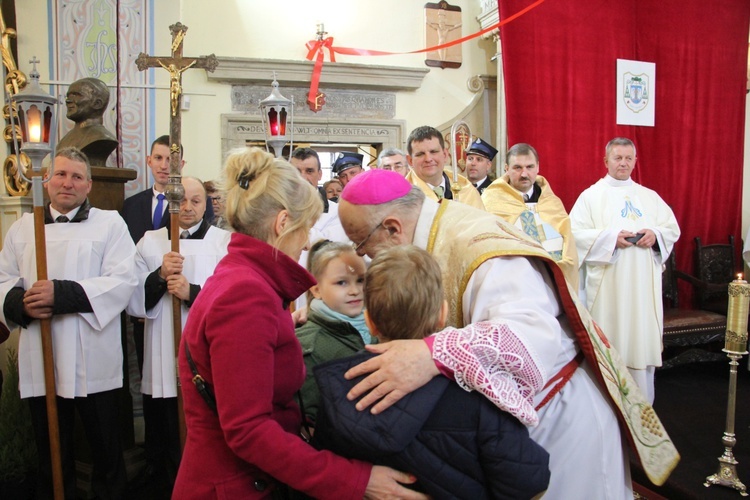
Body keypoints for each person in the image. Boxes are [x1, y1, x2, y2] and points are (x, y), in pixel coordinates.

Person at [335, 169, 680, 499]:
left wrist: (433, 353)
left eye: (361, 244)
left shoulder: (476, 247)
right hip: (514, 434)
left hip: (560, 423)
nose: (364, 257)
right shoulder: (437, 229)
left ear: (393, 228)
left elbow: (531, 337)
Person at [173, 147, 424, 499]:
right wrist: (355, 480)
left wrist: (281, 327)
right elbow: (248, 430)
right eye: (304, 228)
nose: (306, 241)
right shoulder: (246, 295)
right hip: (235, 485)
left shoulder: (245, 282)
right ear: (281, 223)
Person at [313, 245, 551, 499]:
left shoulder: (339, 390)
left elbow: (324, 474)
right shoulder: (476, 393)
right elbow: (529, 482)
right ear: (442, 315)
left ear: (369, 320)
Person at [0, 147, 137, 499]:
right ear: (46, 181)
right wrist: (22, 303)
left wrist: (61, 295)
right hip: (42, 356)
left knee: (105, 447)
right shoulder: (22, 229)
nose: (67, 183)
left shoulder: (110, 224)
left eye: (77, 177)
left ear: (89, 185)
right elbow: (4, 280)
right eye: (60, 174)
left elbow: (123, 281)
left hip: (94, 357)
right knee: (51, 450)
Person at [126, 176, 231, 493]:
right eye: (181, 199)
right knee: (166, 430)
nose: (187, 206)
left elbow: (233, 297)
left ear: (207, 204)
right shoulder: (150, 241)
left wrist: (192, 292)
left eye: (196, 200)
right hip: (161, 349)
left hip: (209, 351)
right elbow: (130, 298)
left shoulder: (224, 243)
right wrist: (159, 277)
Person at [570, 137, 680, 403]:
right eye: (617, 158)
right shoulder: (590, 197)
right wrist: (610, 239)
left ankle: (643, 411)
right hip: (609, 291)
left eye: (628, 158)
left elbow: (671, 229)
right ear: (606, 161)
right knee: (612, 347)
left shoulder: (649, 197)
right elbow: (573, 235)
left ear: (635, 161)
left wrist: (654, 234)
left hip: (643, 290)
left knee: (640, 345)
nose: (623, 163)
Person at [120, 134, 184, 489]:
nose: (164, 165)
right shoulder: (132, 206)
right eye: (158, 158)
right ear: (149, 161)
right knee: (147, 378)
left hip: (178, 303)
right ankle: (155, 457)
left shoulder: (187, 200)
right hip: (143, 303)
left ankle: (178, 454)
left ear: (181, 165)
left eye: (171, 160)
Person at [482, 143, 579, 289]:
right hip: (511, 282)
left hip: (552, 282)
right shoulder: (491, 200)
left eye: (529, 167)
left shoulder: (551, 201)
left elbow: (568, 242)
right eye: (517, 167)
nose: (524, 174)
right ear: (506, 168)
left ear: (538, 167)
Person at [295, 240, 370, 424]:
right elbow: (307, 418)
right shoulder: (307, 346)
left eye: (360, 280)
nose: (354, 291)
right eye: (341, 283)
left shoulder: (381, 327)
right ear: (317, 289)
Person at [290, 147, 350, 310]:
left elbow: (327, 249)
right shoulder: (279, 210)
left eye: (309, 171)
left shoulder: (336, 211)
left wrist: (294, 230)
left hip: (323, 294)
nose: (303, 177)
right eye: (297, 171)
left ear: (319, 174)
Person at [404, 126, 484, 209]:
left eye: (433, 152)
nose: (428, 159)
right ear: (410, 160)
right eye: (420, 154)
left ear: (445, 155)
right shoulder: (402, 196)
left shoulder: (466, 190)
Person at [56, 77, 118, 167]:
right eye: (68, 96)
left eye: (76, 95)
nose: (68, 100)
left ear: (97, 104)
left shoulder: (102, 138)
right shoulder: (66, 139)